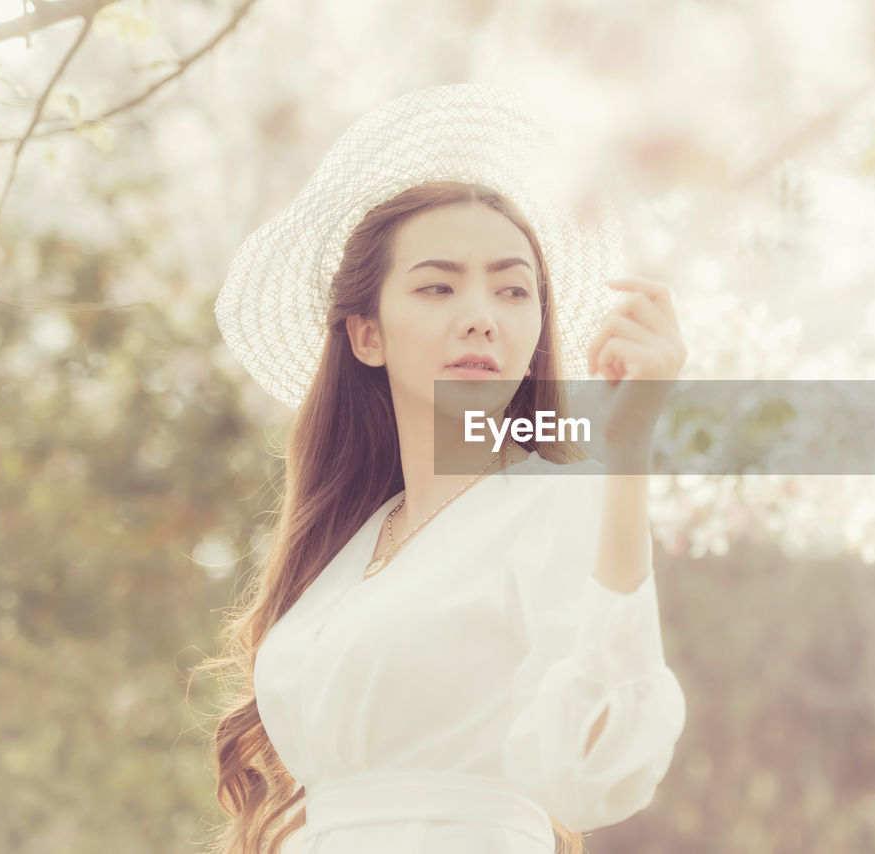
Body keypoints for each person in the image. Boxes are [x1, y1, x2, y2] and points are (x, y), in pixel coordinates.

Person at [200, 85, 688, 854]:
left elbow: (596, 768)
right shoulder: (349, 544)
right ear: (366, 334)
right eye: (436, 285)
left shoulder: (558, 500)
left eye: (513, 289)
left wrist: (626, 459)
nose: (480, 314)